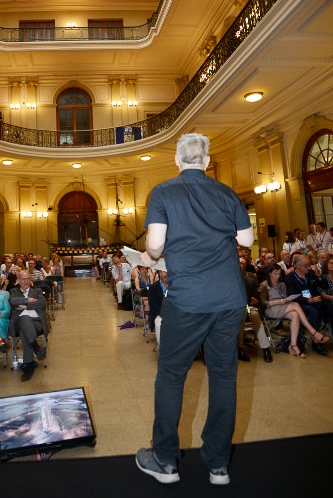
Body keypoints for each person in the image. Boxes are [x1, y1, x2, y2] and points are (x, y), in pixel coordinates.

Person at [135, 133, 254, 486]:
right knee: (223, 376)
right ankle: (218, 465)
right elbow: (246, 239)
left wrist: (149, 255)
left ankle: (165, 460)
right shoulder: (227, 192)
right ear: (206, 161)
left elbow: (155, 245)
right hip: (229, 298)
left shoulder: (163, 192)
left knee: (171, 375)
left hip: (188, 299)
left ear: (176, 160)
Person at [259, 262, 328, 358]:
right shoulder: (264, 285)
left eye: (279, 274)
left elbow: (285, 298)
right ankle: (314, 332)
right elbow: (262, 304)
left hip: (282, 307)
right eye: (275, 273)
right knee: (296, 305)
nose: (277, 276)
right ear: (269, 273)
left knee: (295, 315)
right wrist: (279, 302)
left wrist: (286, 300)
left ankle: (293, 345)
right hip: (271, 309)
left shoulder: (282, 284)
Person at [284, 254, 333, 355]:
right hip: (302, 304)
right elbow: (292, 296)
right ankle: (316, 343)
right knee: (314, 312)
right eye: (306, 266)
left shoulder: (311, 273)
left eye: (309, 265)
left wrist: (319, 276)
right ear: (297, 266)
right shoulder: (289, 278)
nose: (308, 267)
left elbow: (325, 286)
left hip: (317, 301)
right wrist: (308, 300)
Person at [9, 271, 48, 381]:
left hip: (37, 322)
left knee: (24, 331)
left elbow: (42, 303)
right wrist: (29, 300)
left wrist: (25, 306)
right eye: (23, 279)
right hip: (18, 322)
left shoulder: (37, 291)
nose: (26, 281)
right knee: (24, 319)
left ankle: (28, 365)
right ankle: (36, 348)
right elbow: (12, 301)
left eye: (27, 279)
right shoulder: (14, 291)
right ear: (18, 280)